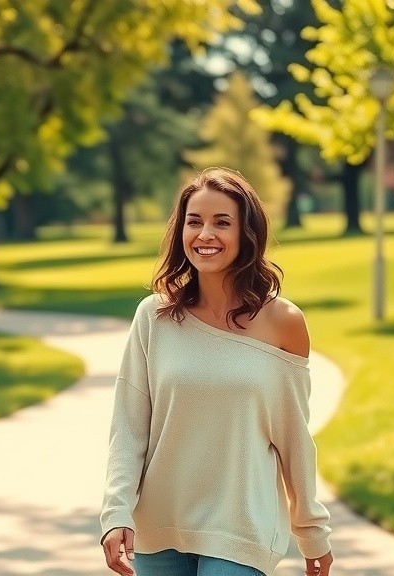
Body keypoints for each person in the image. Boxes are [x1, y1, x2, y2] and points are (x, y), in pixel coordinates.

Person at [99, 167, 334, 576]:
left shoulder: (284, 323)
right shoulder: (153, 317)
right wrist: (116, 512)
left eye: (222, 223)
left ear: (247, 234)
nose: (205, 234)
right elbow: (129, 426)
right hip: (161, 526)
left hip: (241, 529)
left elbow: (294, 437)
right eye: (195, 221)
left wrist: (311, 530)